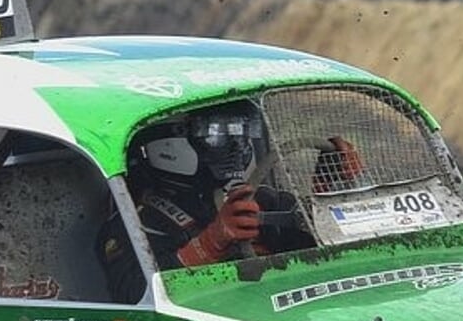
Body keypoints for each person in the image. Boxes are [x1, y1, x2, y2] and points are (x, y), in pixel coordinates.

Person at [99, 110, 360, 302]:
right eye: (217, 136)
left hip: (284, 316)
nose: (237, 146)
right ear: (166, 144)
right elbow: (134, 296)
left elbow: (325, 248)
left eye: (241, 133)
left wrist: (329, 188)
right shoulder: (133, 223)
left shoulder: (260, 200)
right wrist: (209, 244)